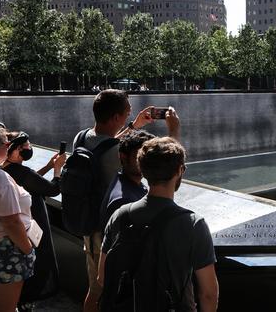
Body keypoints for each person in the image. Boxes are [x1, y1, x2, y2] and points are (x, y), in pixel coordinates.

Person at [98, 137, 219, 311]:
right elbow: (208, 293)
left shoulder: (120, 215)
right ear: (180, 170)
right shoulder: (193, 224)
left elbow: (102, 277)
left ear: (143, 169)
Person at [75, 89, 159, 312]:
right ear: (115, 118)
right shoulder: (115, 155)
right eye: (127, 113)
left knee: (94, 287)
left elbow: (110, 143)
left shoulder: (82, 136)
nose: (129, 116)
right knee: (102, 290)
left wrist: (133, 126)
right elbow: (118, 150)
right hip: (105, 231)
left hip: (88, 224)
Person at [1, 131, 66, 311]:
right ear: (13, 150)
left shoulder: (5, 168)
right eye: (24, 147)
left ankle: (21, 301)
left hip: (22, 226)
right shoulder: (21, 172)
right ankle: (27, 302)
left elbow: (31, 179)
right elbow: (53, 190)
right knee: (41, 263)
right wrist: (58, 169)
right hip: (33, 224)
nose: (28, 149)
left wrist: (47, 166)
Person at [99, 105, 180, 233]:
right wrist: (174, 132)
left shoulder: (127, 184)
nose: (146, 160)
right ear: (123, 157)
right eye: (139, 156)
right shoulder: (124, 201)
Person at [0, 124, 35, 312]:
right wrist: (28, 250)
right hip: (4, 250)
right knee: (6, 309)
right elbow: (11, 222)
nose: (8, 146)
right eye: (6, 143)